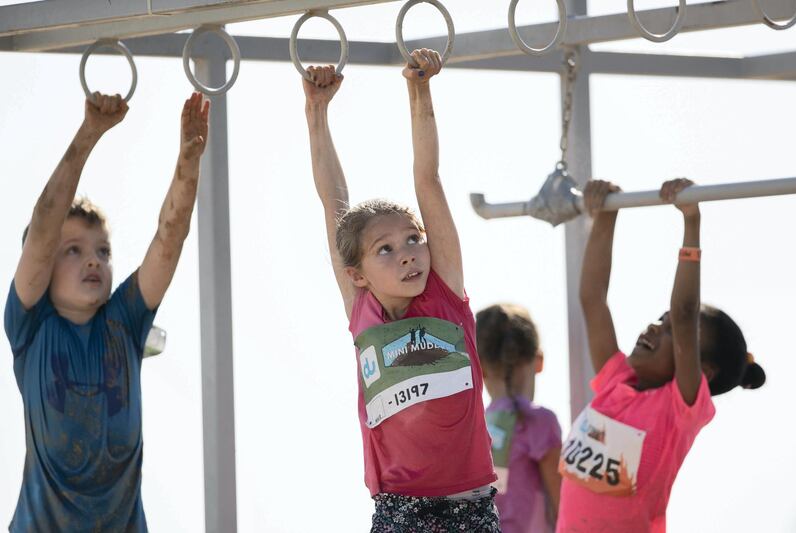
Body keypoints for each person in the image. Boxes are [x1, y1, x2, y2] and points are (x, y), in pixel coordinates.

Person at [303, 50, 499, 532]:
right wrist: (317, 111)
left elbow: (427, 181)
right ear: (358, 273)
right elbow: (333, 199)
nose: (409, 253)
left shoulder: (445, 289)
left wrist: (420, 89)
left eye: (413, 239)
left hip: (471, 507)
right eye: (386, 249)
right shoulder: (361, 308)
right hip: (400, 510)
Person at [5, 92, 209, 531]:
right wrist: (89, 133)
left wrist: (188, 161)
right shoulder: (31, 326)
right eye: (73, 251)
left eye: (102, 250)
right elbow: (43, 226)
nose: (93, 260)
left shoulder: (124, 322)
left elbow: (168, 239)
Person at [557, 178, 766, 533]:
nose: (654, 327)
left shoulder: (679, 409)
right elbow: (592, 300)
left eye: (669, 330)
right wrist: (606, 215)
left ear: (703, 371)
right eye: (659, 320)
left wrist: (691, 222)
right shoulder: (616, 382)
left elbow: (685, 312)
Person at [477, 303, 562, 533]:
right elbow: (564, 508)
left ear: (479, 368)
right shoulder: (539, 422)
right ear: (539, 361)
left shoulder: (474, 431)